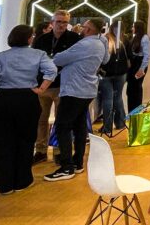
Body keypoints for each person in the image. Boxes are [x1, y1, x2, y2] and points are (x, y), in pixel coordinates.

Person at [0, 24, 56, 195]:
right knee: (26, 140)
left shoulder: (2, 56)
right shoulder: (38, 54)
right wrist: (41, 88)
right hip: (27, 98)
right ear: (29, 39)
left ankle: (4, 185)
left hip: (4, 98)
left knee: (3, 142)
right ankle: (22, 180)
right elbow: (51, 70)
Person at [45, 18, 109, 182]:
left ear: (88, 30)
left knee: (62, 127)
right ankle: (77, 162)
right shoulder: (100, 43)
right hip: (86, 90)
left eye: (84, 27)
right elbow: (106, 60)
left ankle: (66, 167)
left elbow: (59, 59)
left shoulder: (85, 44)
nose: (81, 29)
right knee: (79, 126)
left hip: (74, 90)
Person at [32, 9, 81, 164]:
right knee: (41, 119)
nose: (61, 25)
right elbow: (34, 60)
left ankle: (60, 151)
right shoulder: (42, 39)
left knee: (62, 121)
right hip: (43, 85)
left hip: (63, 85)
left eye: (65, 22)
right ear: (52, 23)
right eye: (58, 22)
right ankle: (40, 150)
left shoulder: (74, 39)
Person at [98, 24, 129, 137]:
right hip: (121, 74)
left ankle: (107, 127)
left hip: (106, 74)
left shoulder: (104, 40)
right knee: (118, 98)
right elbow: (128, 58)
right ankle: (120, 123)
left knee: (108, 99)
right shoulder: (123, 41)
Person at [125, 21, 150, 113]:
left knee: (136, 89)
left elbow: (147, 55)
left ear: (138, 27)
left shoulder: (145, 38)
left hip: (139, 65)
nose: (132, 28)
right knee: (131, 89)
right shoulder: (135, 37)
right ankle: (131, 112)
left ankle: (136, 112)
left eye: (134, 26)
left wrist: (142, 69)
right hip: (134, 65)